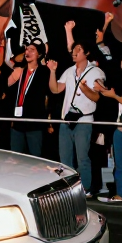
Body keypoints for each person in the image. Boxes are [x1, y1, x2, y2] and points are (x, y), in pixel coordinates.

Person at [48, 41, 105, 196]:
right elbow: (55, 89)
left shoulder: (96, 71)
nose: (74, 52)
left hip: (84, 120)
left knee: (82, 157)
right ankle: (67, 188)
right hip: (67, 119)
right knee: (65, 158)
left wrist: (84, 88)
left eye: (78, 50)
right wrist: (52, 71)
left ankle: (84, 188)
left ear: (86, 53)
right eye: (73, 50)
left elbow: (96, 97)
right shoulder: (69, 71)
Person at [94, 60, 122, 203]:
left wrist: (115, 96)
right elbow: (117, 99)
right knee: (120, 164)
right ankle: (120, 194)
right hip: (120, 129)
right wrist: (103, 91)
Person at [7, 43, 51, 156]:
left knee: (35, 157)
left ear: (39, 54)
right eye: (26, 49)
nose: (28, 52)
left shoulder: (44, 72)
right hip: (18, 121)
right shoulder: (20, 71)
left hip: (34, 121)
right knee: (16, 157)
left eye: (32, 50)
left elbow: (49, 94)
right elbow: (6, 87)